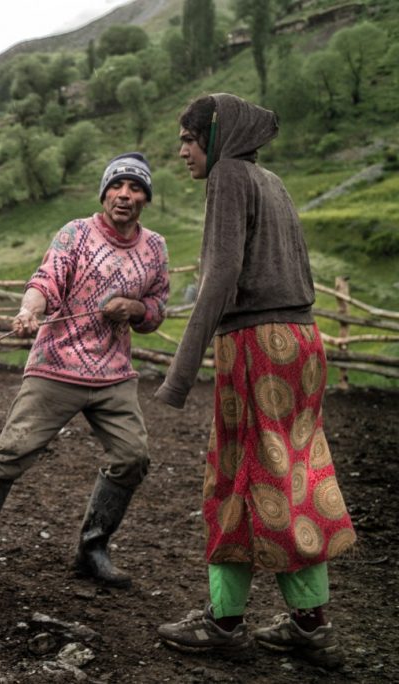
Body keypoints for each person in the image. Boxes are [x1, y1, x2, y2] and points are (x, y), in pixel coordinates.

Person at [154, 93, 355, 669]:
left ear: (214, 139)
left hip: (257, 346)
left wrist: (178, 373)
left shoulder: (229, 175)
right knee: (291, 471)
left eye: (189, 140)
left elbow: (221, 274)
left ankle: (224, 625)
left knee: (232, 477)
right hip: (302, 342)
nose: (183, 152)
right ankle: (308, 621)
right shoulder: (272, 180)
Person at [0, 153, 169, 590]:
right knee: (10, 454)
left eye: (135, 188)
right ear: (104, 192)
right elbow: (45, 280)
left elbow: (158, 306)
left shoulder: (155, 247)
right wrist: (30, 310)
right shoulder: (76, 233)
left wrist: (136, 308)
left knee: (132, 457)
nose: (125, 195)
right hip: (56, 367)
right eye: (117, 186)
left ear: (145, 197)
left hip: (113, 375)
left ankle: (93, 548)